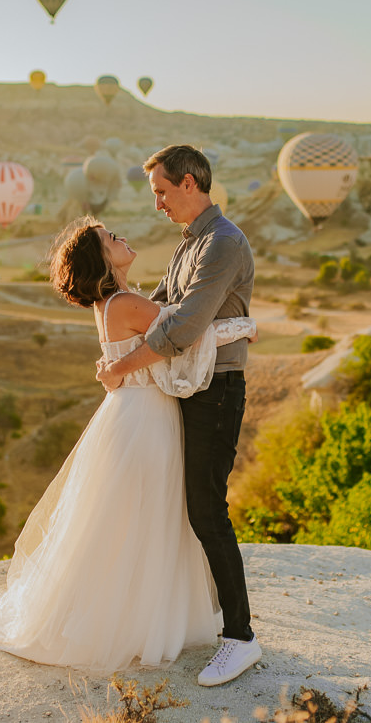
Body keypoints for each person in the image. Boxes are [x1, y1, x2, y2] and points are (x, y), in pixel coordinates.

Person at [0, 216, 256, 675]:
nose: (122, 238)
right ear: (102, 259)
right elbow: (187, 335)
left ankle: (133, 616)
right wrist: (242, 327)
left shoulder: (114, 303)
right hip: (146, 420)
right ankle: (144, 621)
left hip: (132, 415)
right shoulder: (126, 302)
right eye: (110, 239)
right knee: (150, 516)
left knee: (128, 520)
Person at [96, 144, 259, 687]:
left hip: (217, 390)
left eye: (162, 192)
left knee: (207, 510)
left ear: (190, 183)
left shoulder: (224, 243)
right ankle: (210, 620)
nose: (158, 204)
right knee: (187, 510)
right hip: (188, 389)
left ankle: (240, 640)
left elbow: (181, 327)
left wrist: (123, 367)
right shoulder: (189, 245)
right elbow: (158, 310)